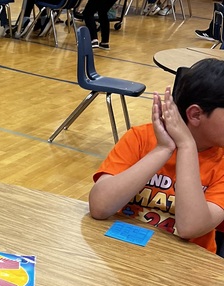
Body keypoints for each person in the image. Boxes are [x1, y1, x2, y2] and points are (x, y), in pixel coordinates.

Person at [90, 61, 224, 253]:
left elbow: (190, 228)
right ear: (195, 114)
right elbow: (99, 206)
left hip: (186, 267)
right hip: (123, 252)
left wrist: (186, 146)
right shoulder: (140, 138)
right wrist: (163, 150)